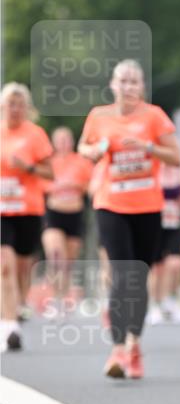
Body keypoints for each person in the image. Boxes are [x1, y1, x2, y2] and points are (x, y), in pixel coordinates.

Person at [78, 59, 180, 378]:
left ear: (142, 87)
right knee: (122, 274)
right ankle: (118, 349)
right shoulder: (99, 116)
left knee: (138, 278)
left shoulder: (154, 116)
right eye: (122, 81)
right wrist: (92, 152)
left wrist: (147, 147)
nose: (128, 87)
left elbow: (176, 156)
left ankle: (135, 344)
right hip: (110, 203)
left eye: (134, 81)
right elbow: (84, 146)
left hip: (147, 207)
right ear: (113, 85)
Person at [0, 83, 53, 351]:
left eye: (20, 104)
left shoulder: (35, 134)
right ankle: (9, 325)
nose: (15, 109)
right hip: (2, 211)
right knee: (4, 266)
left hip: (28, 210)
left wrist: (28, 167)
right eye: (11, 104)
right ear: (3, 106)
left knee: (22, 267)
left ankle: (18, 304)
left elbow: (50, 173)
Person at [42, 127, 93, 319]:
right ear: (54, 143)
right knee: (56, 255)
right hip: (54, 213)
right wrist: (57, 186)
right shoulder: (49, 162)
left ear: (72, 142)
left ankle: (63, 298)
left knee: (68, 261)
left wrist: (75, 185)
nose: (63, 143)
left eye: (66, 139)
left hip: (75, 214)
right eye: (60, 140)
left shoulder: (81, 162)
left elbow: (90, 186)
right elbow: (40, 184)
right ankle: (54, 298)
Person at [147, 163, 180, 324]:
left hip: (174, 222)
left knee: (176, 264)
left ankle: (171, 301)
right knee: (157, 268)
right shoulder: (153, 169)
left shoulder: (179, 171)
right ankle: (154, 304)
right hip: (155, 223)